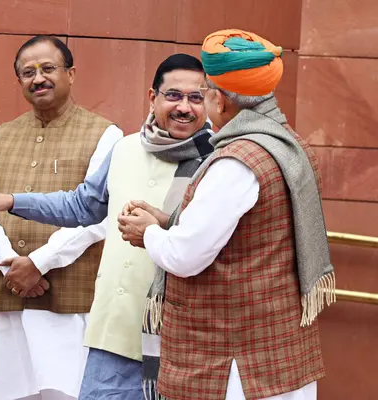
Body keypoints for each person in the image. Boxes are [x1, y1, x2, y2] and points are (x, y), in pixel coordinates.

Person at [0, 54, 214, 399]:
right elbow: (83, 205)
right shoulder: (125, 149)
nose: (185, 107)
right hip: (114, 333)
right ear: (152, 98)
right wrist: (13, 202)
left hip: (182, 337)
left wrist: (162, 226)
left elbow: (213, 243)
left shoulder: (218, 161)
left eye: (196, 97)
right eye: (173, 96)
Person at [117, 29, 334, 400]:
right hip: (277, 356)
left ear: (221, 100)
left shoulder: (236, 161)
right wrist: (169, 221)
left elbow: (184, 257)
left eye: (205, 93)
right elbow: (249, 232)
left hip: (234, 368)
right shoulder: (284, 142)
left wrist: (149, 233)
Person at [0, 35, 123, 400]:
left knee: (68, 392)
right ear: (18, 81)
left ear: (71, 73)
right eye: (28, 72)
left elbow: (99, 215)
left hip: (69, 300)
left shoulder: (106, 135)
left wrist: (39, 262)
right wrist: (10, 266)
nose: (38, 78)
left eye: (48, 68)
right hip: (10, 298)